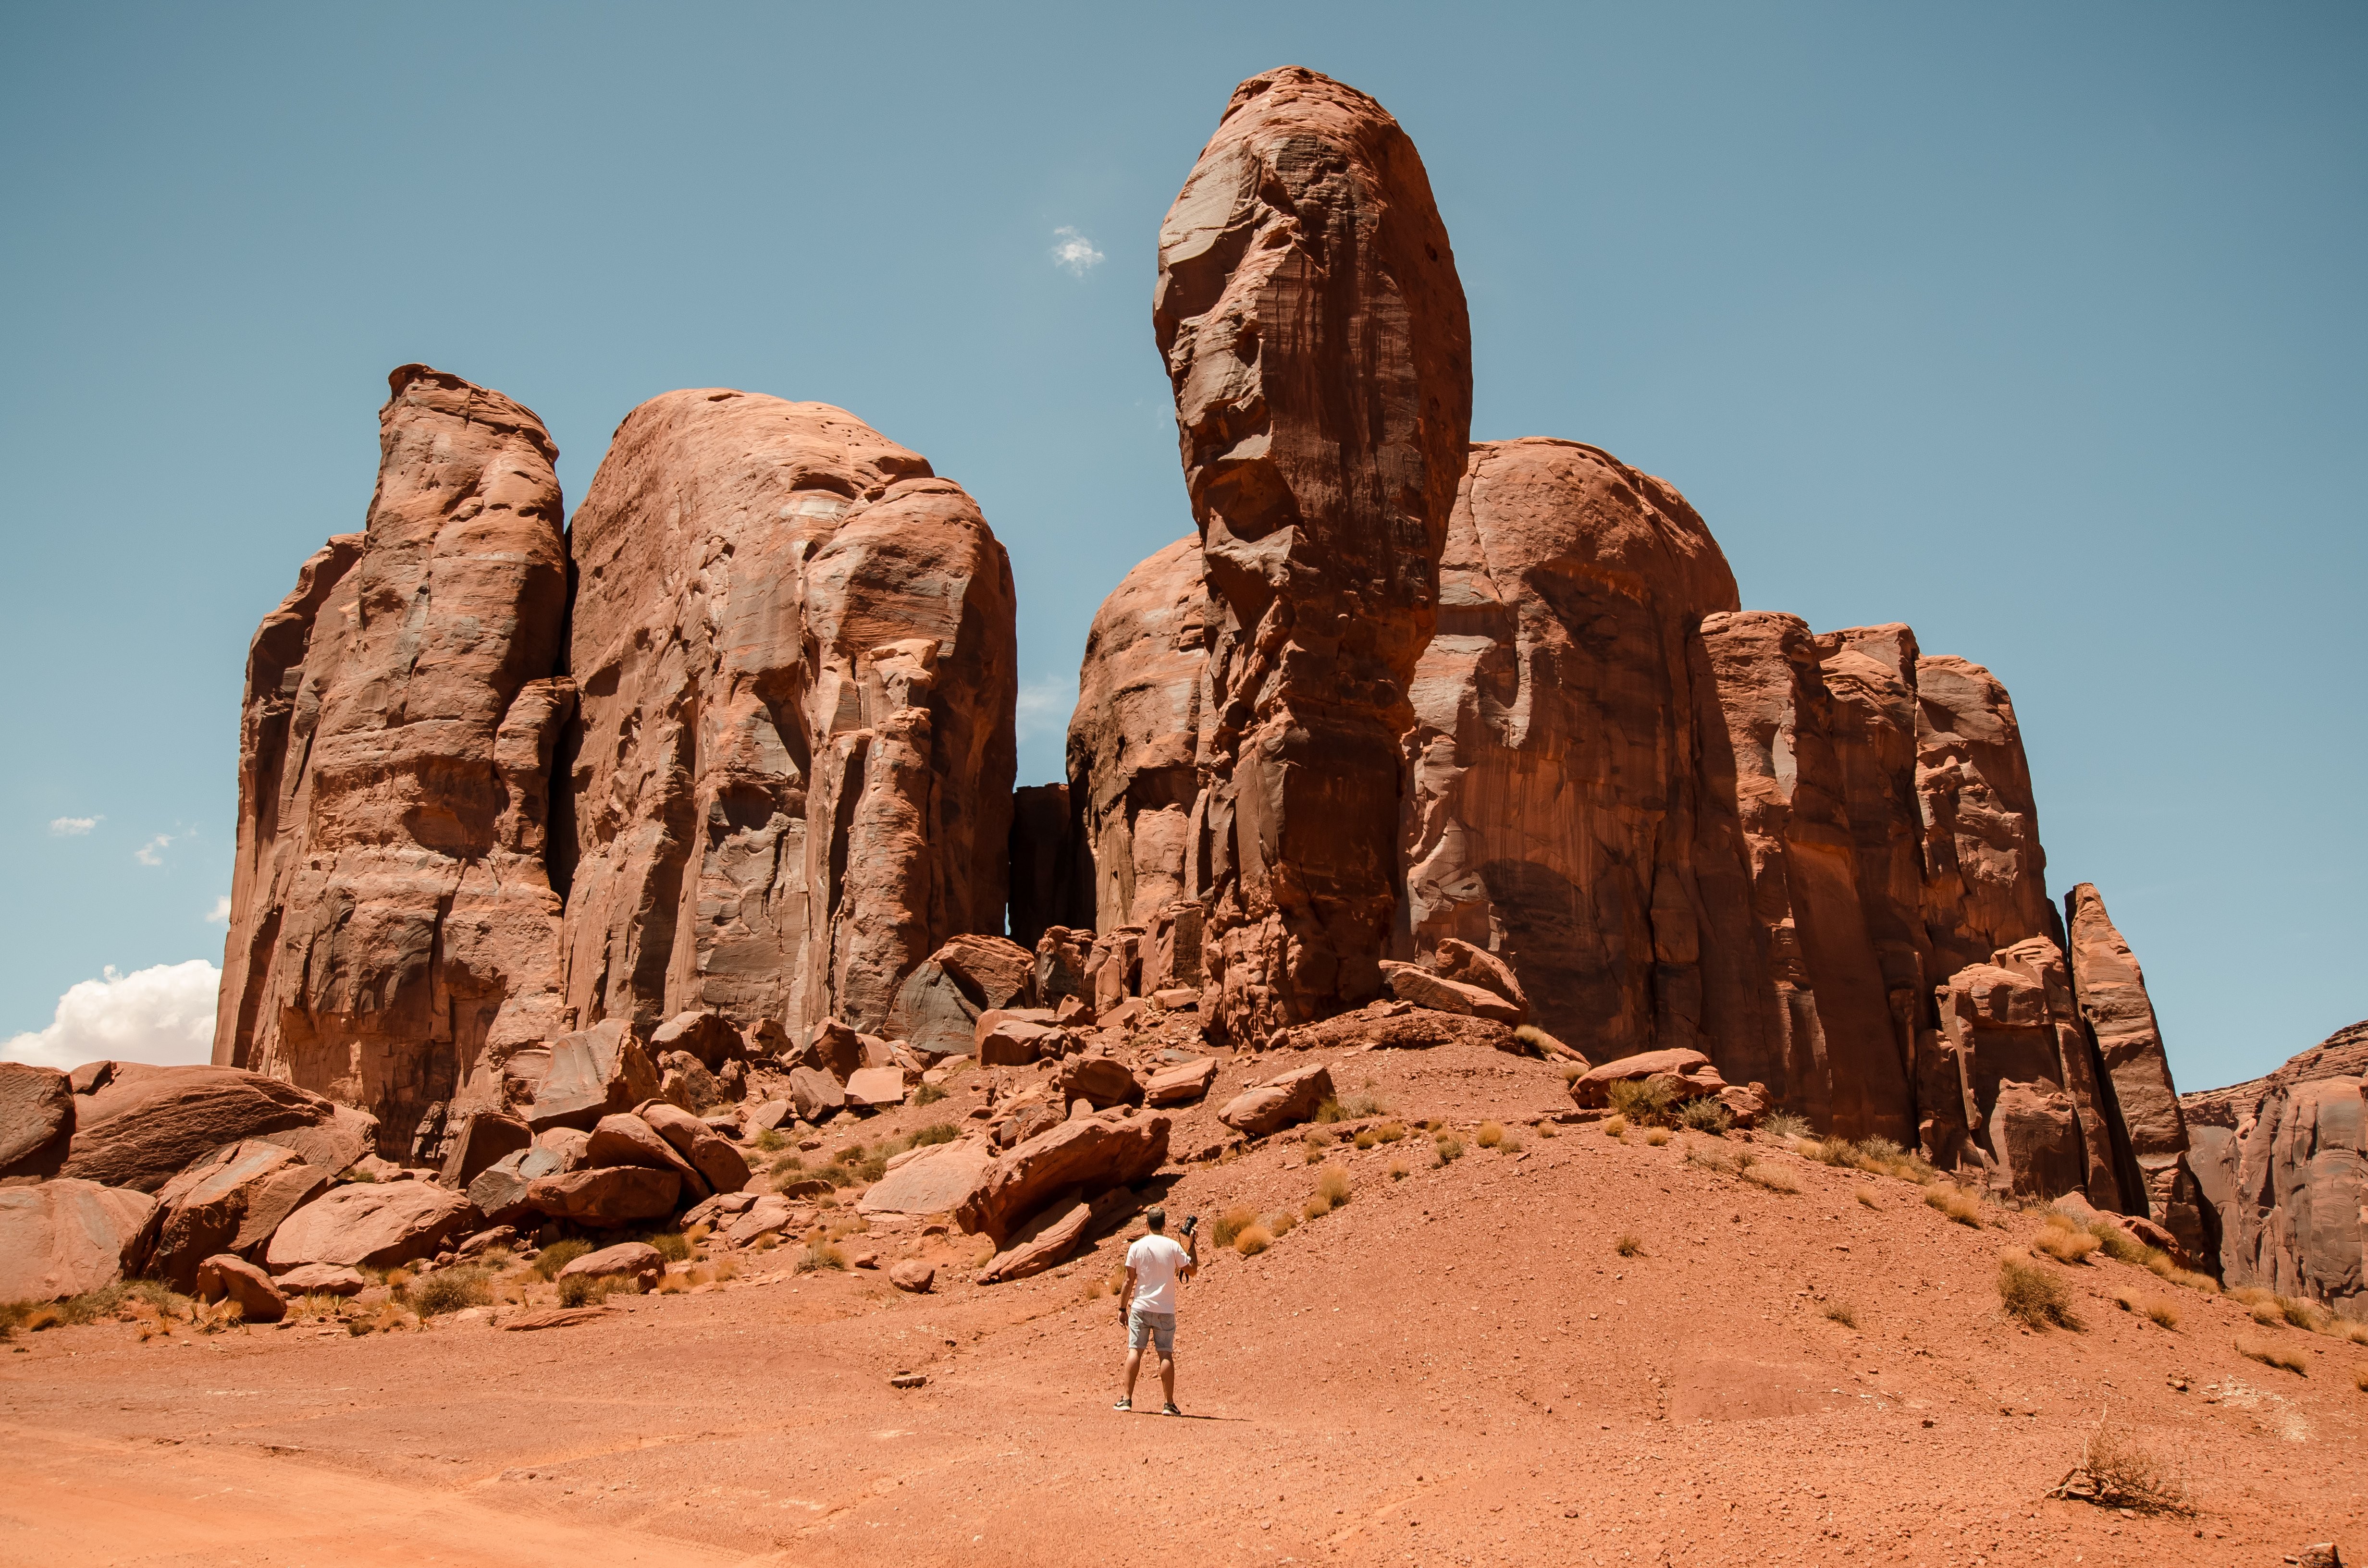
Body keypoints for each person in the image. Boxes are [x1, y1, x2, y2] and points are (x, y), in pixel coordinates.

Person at [1114, 1206, 1196, 1415]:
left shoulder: (1137, 1247)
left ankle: (1126, 1399)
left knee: (1135, 1350)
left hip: (1141, 1307)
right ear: (1165, 1224)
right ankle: (1169, 1404)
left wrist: (1123, 1308)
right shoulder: (1173, 1246)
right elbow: (1192, 1270)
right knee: (1165, 1354)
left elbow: (1128, 1281)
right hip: (1165, 1310)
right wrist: (1192, 1243)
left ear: (1147, 1225)